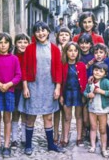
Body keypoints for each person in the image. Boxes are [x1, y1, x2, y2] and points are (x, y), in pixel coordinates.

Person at [18, 21, 65, 155]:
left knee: (48, 117)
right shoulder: (30, 48)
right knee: (30, 117)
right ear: (34, 34)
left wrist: (57, 88)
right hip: (33, 86)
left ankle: (50, 144)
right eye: (37, 31)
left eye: (43, 30)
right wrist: (25, 87)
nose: (41, 33)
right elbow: (25, 68)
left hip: (49, 86)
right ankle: (28, 145)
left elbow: (58, 69)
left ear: (48, 32)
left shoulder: (54, 49)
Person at [0, 33, 22, 157]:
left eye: (6, 42)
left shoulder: (14, 59)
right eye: (0, 42)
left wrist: (9, 84)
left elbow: (18, 75)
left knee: (7, 119)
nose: (3, 45)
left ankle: (7, 145)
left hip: (9, 91)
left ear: (9, 44)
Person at [60, 42, 87, 147]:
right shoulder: (63, 65)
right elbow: (61, 81)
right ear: (66, 52)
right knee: (67, 117)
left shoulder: (81, 65)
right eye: (70, 50)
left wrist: (84, 94)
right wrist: (61, 95)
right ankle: (65, 137)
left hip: (78, 93)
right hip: (67, 92)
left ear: (78, 52)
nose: (72, 53)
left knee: (79, 115)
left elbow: (84, 81)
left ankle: (79, 137)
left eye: (75, 51)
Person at [84, 62, 109, 157]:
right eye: (96, 70)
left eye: (101, 71)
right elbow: (85, 92)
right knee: (93, 127)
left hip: (102, 109)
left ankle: (103, 148)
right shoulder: (90, 82)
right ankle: (93, 146)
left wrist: (102, 91)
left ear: (105, 74)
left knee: (102, 129)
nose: (97, 73)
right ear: (92, 71)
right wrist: (88, 95)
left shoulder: (106, 82)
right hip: (92, 108)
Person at [11, 33, 31, 149]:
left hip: (27, 88)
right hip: (15, 88)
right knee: (15, 113)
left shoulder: (30, 56)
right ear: (15, 44)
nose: (22, 44)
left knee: (25, 113)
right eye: (19, 42)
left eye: (25, 42)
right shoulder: (13, 56)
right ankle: (14, 138)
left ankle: (24, 138)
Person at [54, 27, 72, 144]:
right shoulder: (54, 49)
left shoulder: (72, 49)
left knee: (67, 112)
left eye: (66, 34)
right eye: (61, 35)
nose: (64, 37)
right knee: (56, 111)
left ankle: (65, 135)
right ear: (57, 37)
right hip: (56, 83)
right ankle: (55, 133)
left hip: (68, 84)